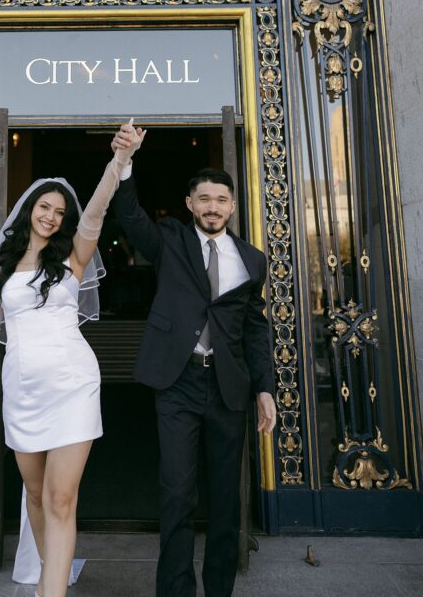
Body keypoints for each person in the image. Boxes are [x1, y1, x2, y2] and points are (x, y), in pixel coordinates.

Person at [0, 142, 130, 597]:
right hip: (22, 391)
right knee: (39, 497)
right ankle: (50, 576)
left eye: (60, 211)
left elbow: (97, 211)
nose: (51, 216)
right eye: (44, 206)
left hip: (73, 384)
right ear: (29, 209)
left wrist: (118, 163)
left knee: (62, 499)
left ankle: (53, 592)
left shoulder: (73, 258)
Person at [111, 121, 276, 597]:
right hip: (178, 384)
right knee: (177, 494)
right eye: (204, 199)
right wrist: (125, 163)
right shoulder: (170, 241)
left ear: (232, 206)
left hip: (229, 388)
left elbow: (255, 328)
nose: (212, 207)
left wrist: (264, 388)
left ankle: (219, 589)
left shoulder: (252, 259)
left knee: (226, 499)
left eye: (221, 200)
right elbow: (130, 215)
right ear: (190, 205)